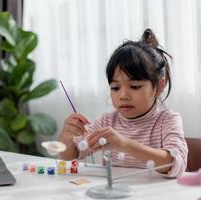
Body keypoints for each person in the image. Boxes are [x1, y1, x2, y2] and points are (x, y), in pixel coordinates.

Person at [58, 28, 188, 178]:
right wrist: (67, 136)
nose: (123, 95)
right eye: (115, 88)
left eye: (135, 86)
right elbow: (70, 154)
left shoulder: (168, 120)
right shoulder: (107, 122)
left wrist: (125, 144)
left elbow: (176, 164)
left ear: (159, 87)